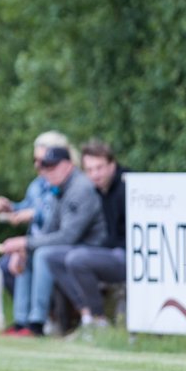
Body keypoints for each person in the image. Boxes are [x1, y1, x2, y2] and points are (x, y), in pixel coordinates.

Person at [0, 145, 106, 336]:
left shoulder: (81, 188)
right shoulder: (59, 188)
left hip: (91, 248)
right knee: (28, 254)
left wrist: (26, 243)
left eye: (53, 166)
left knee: (44, 254)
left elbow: (68, 236)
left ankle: (38, 322)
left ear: (69, 165)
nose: (48, 172)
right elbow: (48, 230)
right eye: (46, 167)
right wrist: (24, 248)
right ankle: (22, 322)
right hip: (71, 248)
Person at [0, 131, 72, 336]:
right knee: (6, 265)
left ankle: (37, 323)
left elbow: (57, 221)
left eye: (42, 160)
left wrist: (33, 220)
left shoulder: (64, 184)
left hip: (52, 243)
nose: (37, 165)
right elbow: (25, 207)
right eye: (35, 160)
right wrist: (10, 207)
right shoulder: (36, 186)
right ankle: (23, 322)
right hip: (35, 242)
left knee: (30, 256)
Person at [51, 139, 128, 330]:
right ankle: (86, 313)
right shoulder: (100, 190)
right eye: (90, 169)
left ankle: (97, 319)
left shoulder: (129, 186)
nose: (95, 174)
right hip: (109, 249)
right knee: (51, 256)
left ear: (112, 165)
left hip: (129, 256)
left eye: (99, 168)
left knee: (77, 259)